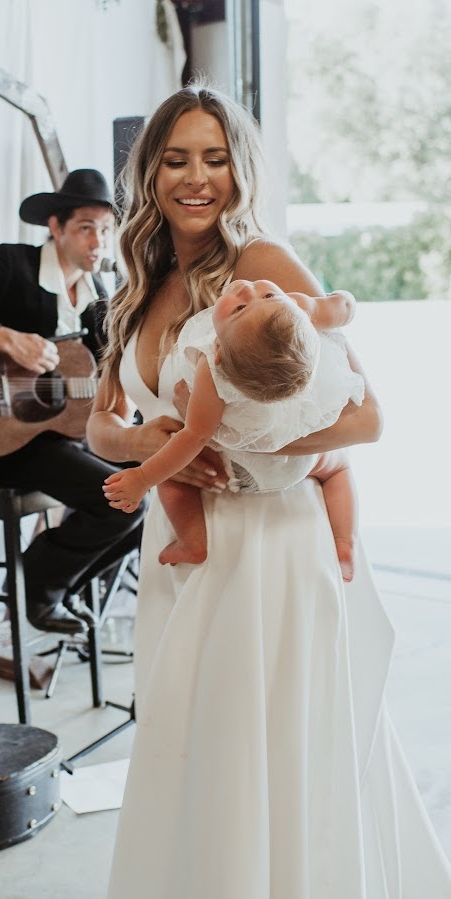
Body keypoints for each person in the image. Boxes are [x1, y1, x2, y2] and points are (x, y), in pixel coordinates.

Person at [86, 84, 451, 898]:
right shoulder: (133, 288)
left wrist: (222, 441)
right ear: (148, 172)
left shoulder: (265, 268)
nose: (196, 178)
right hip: (181, 550)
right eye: (176, 159)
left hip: (270, 549)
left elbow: (366, 418)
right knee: (190, 747)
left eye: (215, 159)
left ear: (239, 170)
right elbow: (101, 425)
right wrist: (148, 445)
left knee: (265, 753)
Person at [0, 169, 144, 636]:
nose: (97, 242)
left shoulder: (100, 297)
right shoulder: (11, 266)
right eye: (84, 228)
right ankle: (40, 581)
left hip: (58, 440)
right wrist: (4, 338)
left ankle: (56, 584)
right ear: (54, 228)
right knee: (124, 504)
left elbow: (98, 381)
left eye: (105, 229)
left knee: (150, 487)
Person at [103, 278, 363, 581]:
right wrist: (344, 298)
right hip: (300, 462)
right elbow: (343, 307)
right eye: (257, 298)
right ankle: (345, 544)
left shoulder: (211, 366)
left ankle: (192, 542)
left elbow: (194, 436)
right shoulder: (301, 307)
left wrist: (144, 477)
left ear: (219, 353)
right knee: (338, 468)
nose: (248, 290)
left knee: (174, 480)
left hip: (241, 468)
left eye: (243, 306)